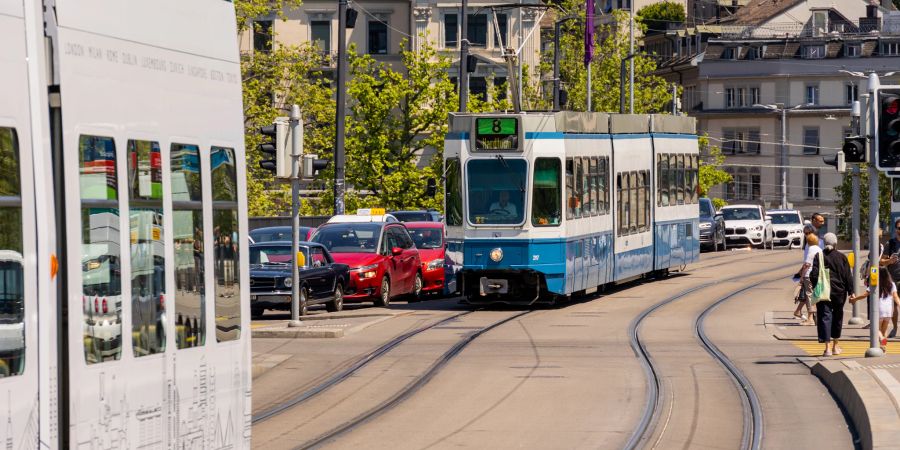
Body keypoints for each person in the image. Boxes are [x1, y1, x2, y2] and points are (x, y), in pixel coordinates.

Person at [809, 233, 854, 356]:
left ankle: (827, 348)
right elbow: (848, 276)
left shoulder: (819, 256)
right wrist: (851, 292)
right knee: (837, 318)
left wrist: (815, 287)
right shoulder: (842, 257)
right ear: (835, 243)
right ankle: (835, 346)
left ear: (824, 243)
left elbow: (813, 275)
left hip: (824, 292)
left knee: (825, 317)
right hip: (839, 293)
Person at [852, 267, 900, 352]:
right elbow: (896, 297)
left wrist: (855, 299)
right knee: (884, 330)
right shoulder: (892, 284)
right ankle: (883, 347)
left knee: (876, 329)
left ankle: (881, 339)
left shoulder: (875, 284)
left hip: (879, 309)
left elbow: (864, 295)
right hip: (888, 310)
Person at [794, 234, 821, 324]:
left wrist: (801, 278)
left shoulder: (811, 249)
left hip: (809, 275)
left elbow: (807, 265)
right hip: (817, 275)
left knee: (809, 295)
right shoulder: (819, 249)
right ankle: (812, 317)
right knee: (814, 296)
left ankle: (810, 319)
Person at [880, 218, 900, 338]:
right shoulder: (891, 243)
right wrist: (890, 261)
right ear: (896, 229)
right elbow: (882, 261)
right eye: (899, 228)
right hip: (893, 279)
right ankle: (895, 328)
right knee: (894, 305)